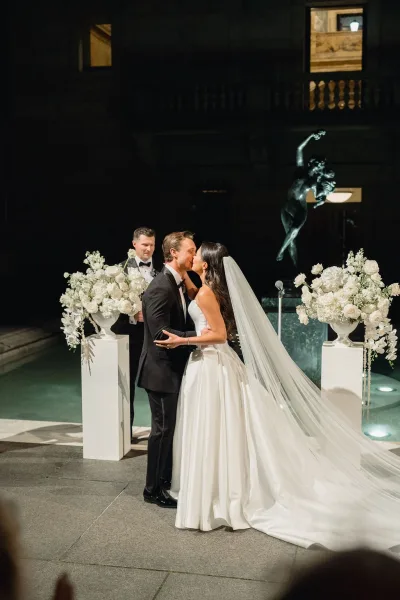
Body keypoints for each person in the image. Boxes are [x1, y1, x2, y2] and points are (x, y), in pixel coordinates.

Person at [156, 242, 400, 550]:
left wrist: (181, 340)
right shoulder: (205, 288)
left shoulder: (206, 293)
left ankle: (218, 493)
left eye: (197, 252)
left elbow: (217, 334)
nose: (193, 255)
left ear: (206, 264)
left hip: (212, 364)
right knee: (220, 428)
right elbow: (200, 301)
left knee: (213, 427)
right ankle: (219, 487)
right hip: (210, 364)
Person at [137, 231, 198, 508]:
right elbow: (160, 332)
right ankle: (152, 490)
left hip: (171, 368)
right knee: (161, 430)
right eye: (190, 251)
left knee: (168, 429)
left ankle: (164, 481)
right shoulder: (160, 287)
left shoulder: (176, 283)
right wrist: (195, 336)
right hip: (160, 371)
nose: (194, 256)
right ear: (174, 253)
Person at [113, 227, 158, 442]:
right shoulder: (119, 271)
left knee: (155, 383)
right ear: (134, 245)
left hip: (153, 336)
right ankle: (126, 432)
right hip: (130, 334)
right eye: (144, 245)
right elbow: (112, 304)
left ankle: (158, 432)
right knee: (127, 383)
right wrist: (132, 313)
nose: (148, 249)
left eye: (151, 245)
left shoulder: (160, 271)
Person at [276, 130, 335, 266]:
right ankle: (294, 269)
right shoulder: (300, 170)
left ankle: (281, 251)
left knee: (294, 231)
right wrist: (311, 136)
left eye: (320, 165)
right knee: (291, 239)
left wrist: (324, 196)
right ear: (311, 163)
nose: (318, 166)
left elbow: (318, 197)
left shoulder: (314, 182)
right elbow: (299, 148)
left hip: (301, 209)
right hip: (288, 205)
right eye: (317, 163)